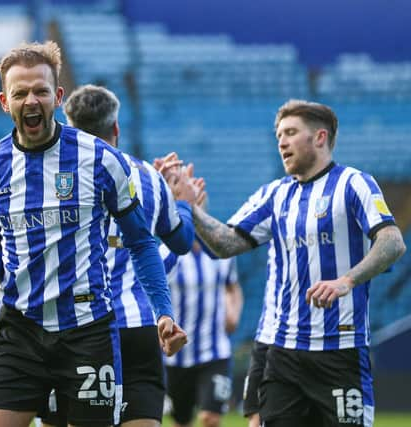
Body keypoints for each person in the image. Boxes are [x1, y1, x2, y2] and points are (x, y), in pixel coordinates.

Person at [0, 41, 187, 427]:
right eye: (20, 93)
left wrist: (163, 312)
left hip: (87, 330)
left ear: (58, 97)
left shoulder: (101, 159)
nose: (31, 100)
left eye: (41, 91)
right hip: (20, 329)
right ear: (4, 101)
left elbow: (141, 242)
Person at [160, 99, 406, 427]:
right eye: (279, 135)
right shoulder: (275, 194)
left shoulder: (354, 184)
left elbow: (392, 241)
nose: (282, 142)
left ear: (320, 138)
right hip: (282, 354)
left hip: (339, 349)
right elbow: (225, 244)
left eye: (291, 133)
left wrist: (346, 280)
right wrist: (187, 207)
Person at [39, 84, 199, 427]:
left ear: (68, 124)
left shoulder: (51, 178)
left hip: (73, 327)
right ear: (115, 128)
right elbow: (182, 241)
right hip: (137, 326)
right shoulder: (148, 178)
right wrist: (183, 202)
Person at [160, 205, 243, 427]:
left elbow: (232, 287)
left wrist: (233, 312)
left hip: (215, 351)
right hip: (177, 355)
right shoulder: (168, 255)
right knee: (181, 420)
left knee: (210, 418)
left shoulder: (221, 255)